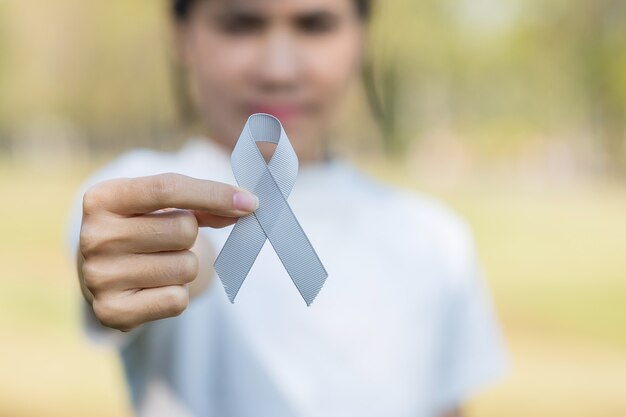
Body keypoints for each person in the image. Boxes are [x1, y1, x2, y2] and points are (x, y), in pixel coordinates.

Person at [64, 0, 508, 416]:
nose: (278, 70)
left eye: (315, 25)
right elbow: (174, 255)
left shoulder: (436, 239)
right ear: (182, 34)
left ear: (361, 35)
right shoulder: (144, 190)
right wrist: (165, 260)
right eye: (241, 24)